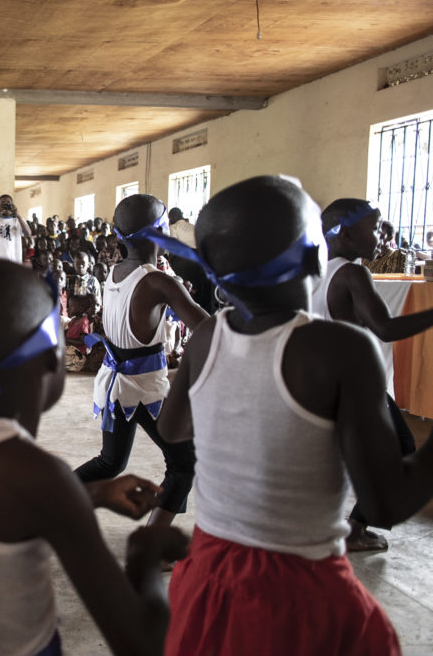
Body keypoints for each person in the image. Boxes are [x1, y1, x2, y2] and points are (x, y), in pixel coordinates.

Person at [158, 175, 433, 655]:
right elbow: (387, 503)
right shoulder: (344, 350)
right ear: (314, 258)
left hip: (207, 571)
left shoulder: (207, 337)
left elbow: (171, 427)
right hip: (297, 589)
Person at [0, 259, 188, 655]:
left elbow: (6, 509)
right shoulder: (38, 477)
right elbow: (141, 642)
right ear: (49, 359)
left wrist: (92, 494)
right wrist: (145, 557)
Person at [77, 195, 207, 532]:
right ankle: (156, 540)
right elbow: (207, 328)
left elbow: (139, 316)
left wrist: (175, 295)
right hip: (143, 386)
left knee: (111, 462)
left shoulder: (117, 271)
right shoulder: (158, 281)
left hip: (117, 381)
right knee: (184, 462)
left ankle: (50, 499)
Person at [315, 198, 429, 551]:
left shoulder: (319, 271)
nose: (381, 235)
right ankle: (356, 529)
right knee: (401, 446)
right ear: (347, 234)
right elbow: (385, 327)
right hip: (354, 382)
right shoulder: (353, 272)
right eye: (375, 227)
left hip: (322, 378)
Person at [0, 194, 32, 263]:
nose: (6, 205)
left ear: (12, 205)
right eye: (3, 203)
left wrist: (18, 216)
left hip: (15, 260)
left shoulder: (18, 220)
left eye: (8, 203)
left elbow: (28, 234)